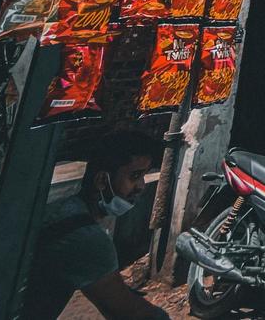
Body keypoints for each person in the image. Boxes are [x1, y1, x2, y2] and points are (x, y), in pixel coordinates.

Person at [26, 129, 168, 320]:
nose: (141, 185)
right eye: (134, 176)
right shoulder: (87, 239)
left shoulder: (65, 209)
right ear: (102, 180)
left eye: (143, 176)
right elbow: (128, 311)